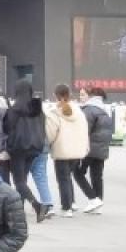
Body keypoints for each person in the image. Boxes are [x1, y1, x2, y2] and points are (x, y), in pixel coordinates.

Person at [0, 80, 48, 223]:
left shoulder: (14, 109)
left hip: (19, 148)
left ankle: (37, 205)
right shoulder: (38, 109)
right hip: (35, 148)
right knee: (23, 180)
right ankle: (19, 210)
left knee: (19, 181)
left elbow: (7, 128)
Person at [45, 84, 90, 218]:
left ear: (56, 95)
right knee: (68, 177)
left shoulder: (54, 112)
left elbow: (50, 133)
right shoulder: (79, 111)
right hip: (77, 151)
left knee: (63, 179)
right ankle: (72, 202)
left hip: (62, 150)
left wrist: (49, 144)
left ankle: (67, 207)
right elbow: (85, 131)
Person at [74, 87, 112, 214]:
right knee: (97, 176)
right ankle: (98, 203)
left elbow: (84, 131)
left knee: (77, 172)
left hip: (89, 148)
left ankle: (93, 198)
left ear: (91, 96)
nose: (82, 97)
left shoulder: (88, 110)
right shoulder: (104, 110)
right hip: (102, 149)